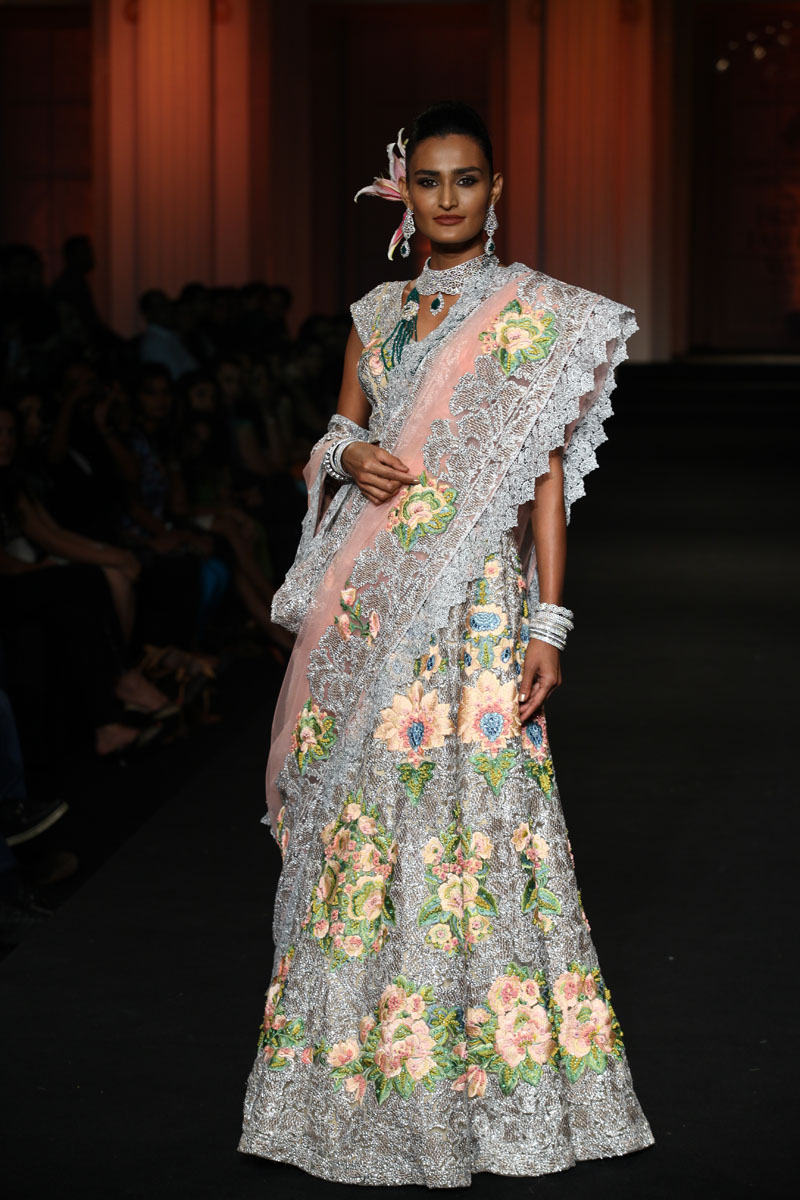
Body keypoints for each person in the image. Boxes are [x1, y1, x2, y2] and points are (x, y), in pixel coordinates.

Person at [237, 102, 654, 1188]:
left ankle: (493, 1082)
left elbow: (544, 481)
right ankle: (353, 1077)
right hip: (372, 602)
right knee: (366, 821)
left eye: (466, 179)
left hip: (475, 612)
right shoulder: (376, 315)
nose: (448, 198)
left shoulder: (534, 316)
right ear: (403, 192)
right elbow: (335, 434)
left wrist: (548, 624)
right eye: (428, 181)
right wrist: (348, 458)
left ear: (495, 188)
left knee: (484, 820)